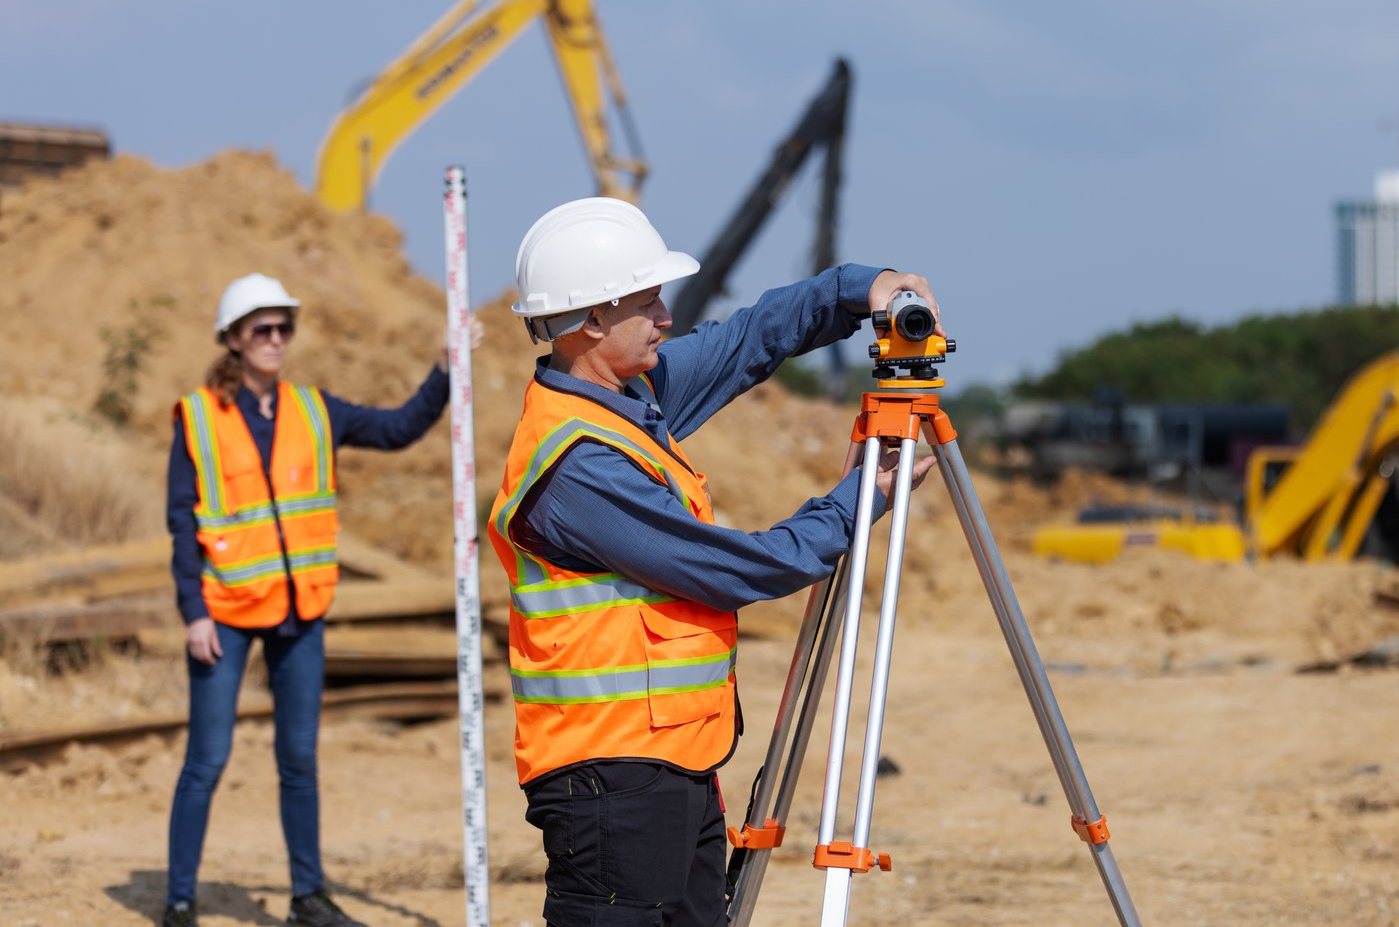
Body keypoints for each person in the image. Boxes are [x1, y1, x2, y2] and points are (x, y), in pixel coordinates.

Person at [486, 197, 940, 926]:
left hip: (675, 761)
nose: (666, 317)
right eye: (648, 301)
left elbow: (744, 341)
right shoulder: (577, 463)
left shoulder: (629, 397)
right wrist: (865, 497)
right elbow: (740, 569)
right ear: (592, 320)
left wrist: (857, 289)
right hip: (612, 779)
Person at [162, 273, 481, 927]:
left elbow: (396, 430)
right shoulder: (198, 417)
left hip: (300, 612)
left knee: (299, 760)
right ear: (233, 339)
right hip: (224, 614)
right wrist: (193, 612)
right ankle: (179, 900)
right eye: (262, 329)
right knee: (207, 761)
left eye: (284, 328)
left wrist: (445, 372)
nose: (276, 340)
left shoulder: (313, 410)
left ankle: (308, 896)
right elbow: (181, 521)